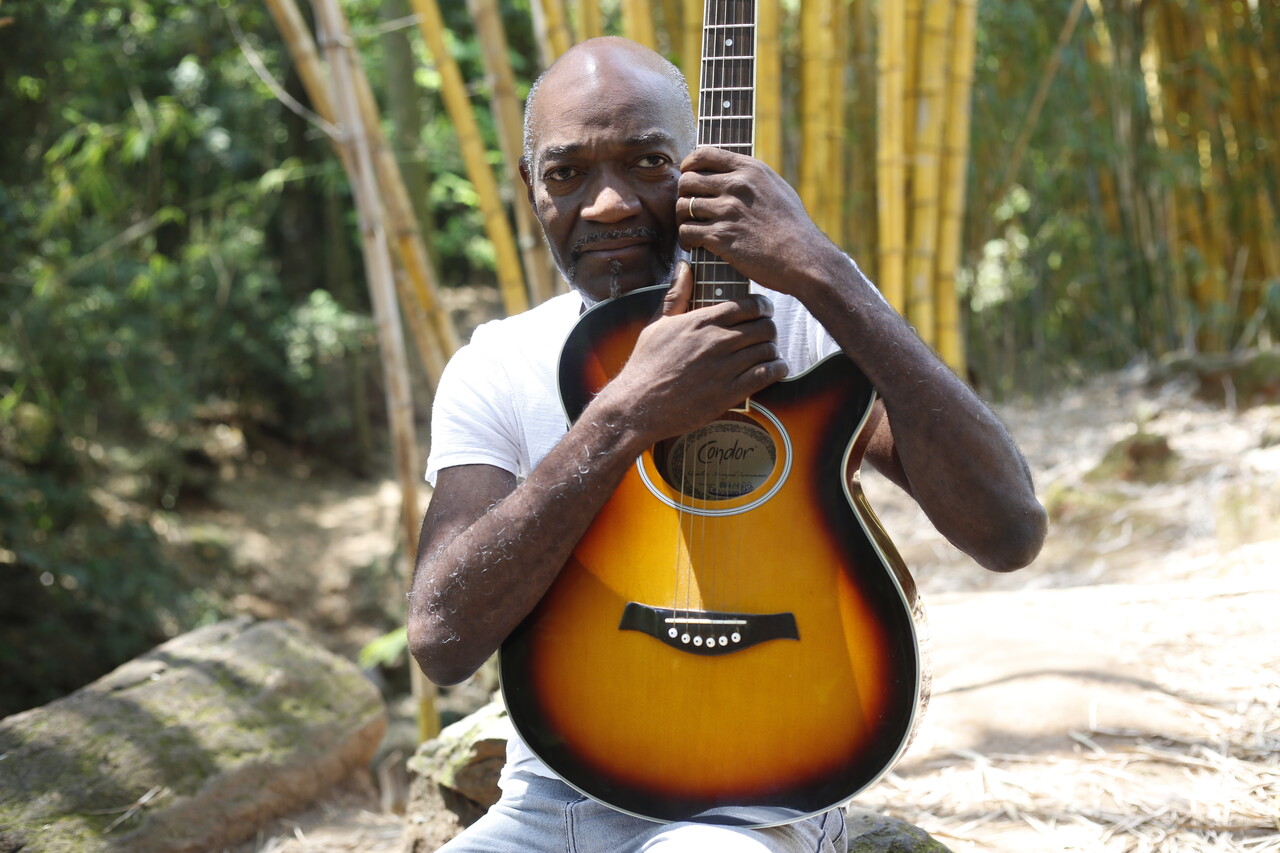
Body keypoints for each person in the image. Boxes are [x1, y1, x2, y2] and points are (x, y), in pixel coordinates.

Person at [407, 36, 1047, 853]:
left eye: (647, 163)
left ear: (703, 170)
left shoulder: (807, 322)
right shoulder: (497, 363)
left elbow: (1007, 532)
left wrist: (821, 266)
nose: (608, 204)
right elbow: (442, 640)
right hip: (547, 807)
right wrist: (622, 417)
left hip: (756, 808)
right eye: (567, 173)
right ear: (529, 186)